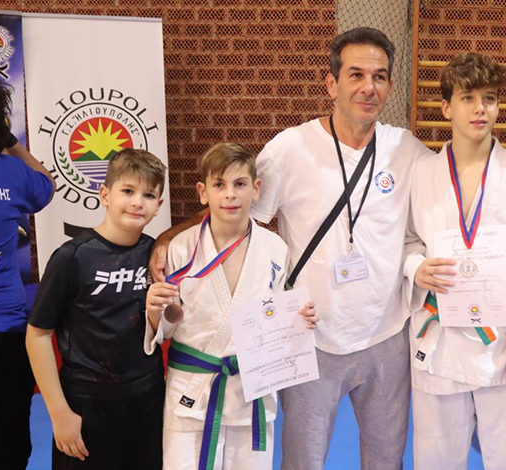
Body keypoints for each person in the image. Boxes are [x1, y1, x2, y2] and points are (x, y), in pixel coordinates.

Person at [149, 27, 435, 470]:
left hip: (386, 334)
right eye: (356, 75)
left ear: (391, 85)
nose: (368, 87)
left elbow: (448, 194)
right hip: (309, 335)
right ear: (331, 83)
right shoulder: (290, 148)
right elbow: (238, 208)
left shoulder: (407, 150)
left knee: (387, 459)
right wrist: (171, 236)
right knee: (304, 460)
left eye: (379, 77)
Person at [402, 52, 506, 470]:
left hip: (502, 337)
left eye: (489, 98)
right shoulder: (422, 173)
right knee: (436, 451)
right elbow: (407, 240)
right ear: (446, 107)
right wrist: (416, 267)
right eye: (467, 98)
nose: (480, 108)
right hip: (438, 332)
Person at [144, 143, 319, 470]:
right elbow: (165, 328)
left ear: (256, 189)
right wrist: (155, 312)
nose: (230, 194)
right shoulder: (181, 248)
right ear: (203, 192)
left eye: (240, 184)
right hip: (192, 392)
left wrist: (300, 319)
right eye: (219, 184)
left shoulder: (275, 249)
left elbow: (277, 315)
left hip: (252, 391)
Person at [25, 149, 166, 469]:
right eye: (127, 191)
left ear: (158, 205)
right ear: (105, 195)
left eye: (148, 195)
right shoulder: (73, 257)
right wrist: (59, 414)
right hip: (87, 402)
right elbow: (38, 335)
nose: (137, 202)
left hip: (147, 400)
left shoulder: (157, 254)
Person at [0, 81, 55, 469]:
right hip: (7, 327)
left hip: (7, 325)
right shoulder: (13, 172)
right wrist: (11, 142)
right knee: (9, 434)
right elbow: (47, 181)